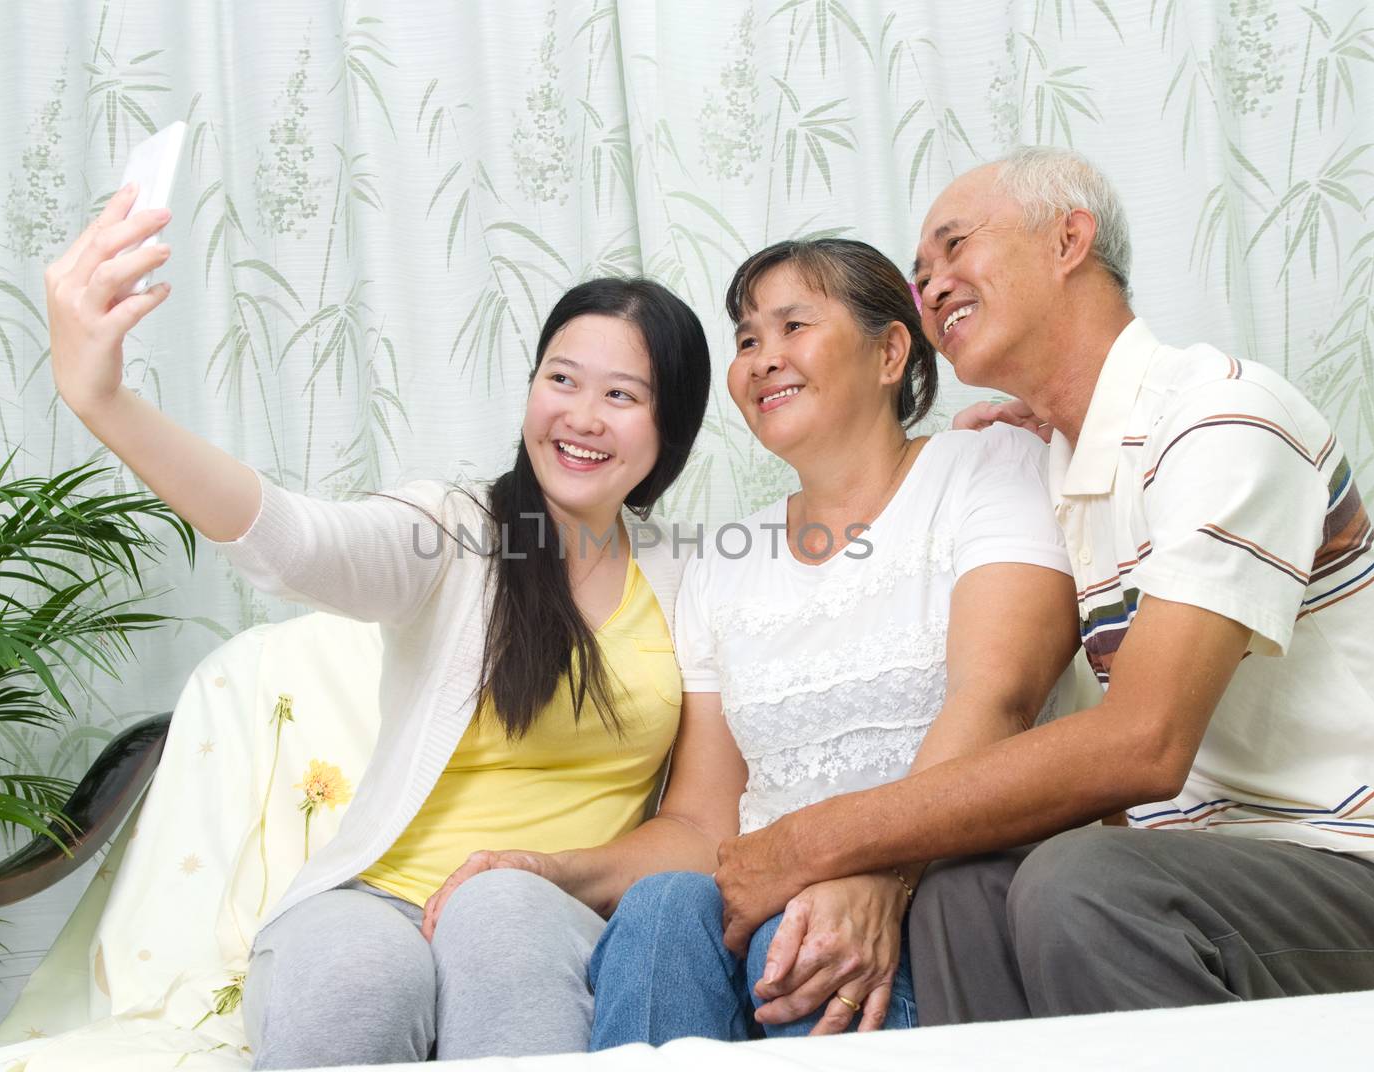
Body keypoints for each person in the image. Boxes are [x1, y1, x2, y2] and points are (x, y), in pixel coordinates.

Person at [708, 146, 1374, 1023]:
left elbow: (1145, 742)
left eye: (954, 248)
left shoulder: (1222, 419)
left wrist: (811, 842)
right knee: (962, 891)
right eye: (919, 273)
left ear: (1068, 239)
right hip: (1197, 873)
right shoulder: (1049, 461)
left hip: (1368, 873)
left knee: (1078, 880)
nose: (931, 285)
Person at [43, 184, 711, 1065]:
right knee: (360, 974)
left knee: (497, 910)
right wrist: (105, 404)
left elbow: (701, 830)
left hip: (549, 909)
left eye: (622, 394)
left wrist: (957, 452)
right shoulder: (453, 531)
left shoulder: (692, 579)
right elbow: (296, 539)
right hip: (372, 901)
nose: (581, 417)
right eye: (561, 379)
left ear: (673, 425)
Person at [425, 238, 1077, 1045]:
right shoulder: (724, 566)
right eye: (745, 340)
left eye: (792, 326)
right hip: (767, 903)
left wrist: (880, 873)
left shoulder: (989, 468)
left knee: (791, 941)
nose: (762, 359)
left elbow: (999, 699)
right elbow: (702, 826)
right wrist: (554, 870)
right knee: (663, 908)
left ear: (891, 351)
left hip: (931, 892)